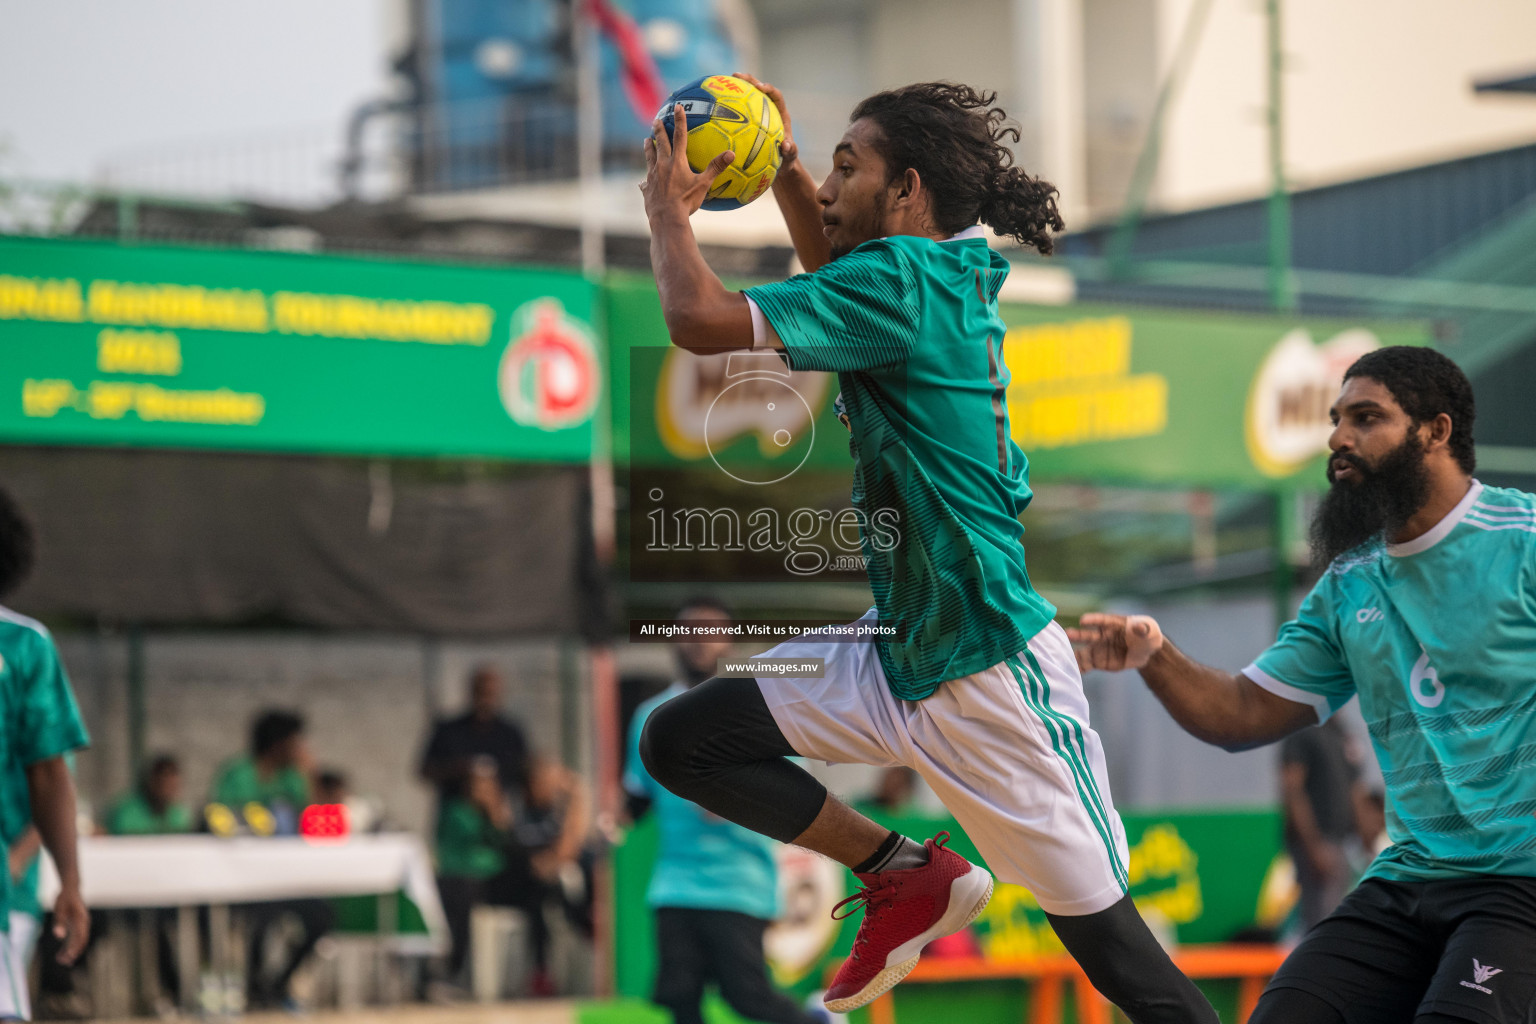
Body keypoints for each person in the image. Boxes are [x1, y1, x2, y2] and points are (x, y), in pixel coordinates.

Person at [634, 79, 1216, 1020]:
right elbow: (832, 273)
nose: (825, 185)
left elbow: (697, 320)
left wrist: (668, 215)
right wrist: (784, 174)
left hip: (990, 673)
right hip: (899, 645)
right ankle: (903, 872)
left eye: (844, 167)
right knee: (682, 738)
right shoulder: (924, 277)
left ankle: (912, 874)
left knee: (1137, 981)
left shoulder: (902, 281)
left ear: (906, 191)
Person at [1069, 346, 1536, 1022]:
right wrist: (1155, 657)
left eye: (1366, 418)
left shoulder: (1522, 543)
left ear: (1436, 431)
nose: (1339, 438)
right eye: (1336, 419)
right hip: (1407, 878)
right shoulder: (1348, 585)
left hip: (1519, 885)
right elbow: (1239, 713)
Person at [625, 599, 826, 1024]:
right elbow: (636, 798)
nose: (698, 639)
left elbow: (794, 788)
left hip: (738, 883)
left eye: (709, 628)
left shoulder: (757, 705)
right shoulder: (649, 716)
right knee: (679, 999)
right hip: (674, 884)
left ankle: (818, 1022)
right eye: (687, 629)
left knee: (746, 998)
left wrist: (735, 797)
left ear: (730, 638)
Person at [0, 486, 91, 1021]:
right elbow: (49, 775)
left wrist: (69, 880)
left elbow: (50, 775)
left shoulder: (23, 647)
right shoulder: (24, 645)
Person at [210, 711, 332, 1010]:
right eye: (294, 741)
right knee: (260, 917)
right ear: (277, 744)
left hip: (285, 879)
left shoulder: (292, 777)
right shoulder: (238, 774)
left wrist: (311, 776)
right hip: (240, 879)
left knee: (322, 916)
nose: (300, 747)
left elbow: (317, 822)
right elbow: (220, 819)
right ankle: (254, 987)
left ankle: (277, 984)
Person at [434, 758, 569, 996]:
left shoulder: (498, 813)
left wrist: (497, 816)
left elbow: (507, 846)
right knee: (472, 891)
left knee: (537, 896)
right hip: (465, 883)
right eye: (479, 785)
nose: (485, 791)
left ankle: (539, 970)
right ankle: (453, 972)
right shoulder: (458, 812)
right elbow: (462, 857)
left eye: (489, 785)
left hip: (496, 884)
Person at [1278, 718, 1364, 932]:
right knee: (1320, 923)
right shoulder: (1302, 730)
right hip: (1318, 842)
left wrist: (1365, 838)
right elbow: (1292, 789)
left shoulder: (1341, 733)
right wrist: (1313, 845)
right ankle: (1316, 965)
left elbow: (1355, 790)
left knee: (1337, 919)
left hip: (1342, 841)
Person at [420, 666, 530, 822]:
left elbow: (524, 771)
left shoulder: (510, 733)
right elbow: (425, 770)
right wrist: (461, 769)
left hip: (498, 812)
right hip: (456, 812)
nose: (486, 699)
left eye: (490, 693)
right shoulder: (449, 730)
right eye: (482, 692)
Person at [104, 755, 193, 836]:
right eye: (164, 784)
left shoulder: (179, 815)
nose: (169, 790)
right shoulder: (126, 812)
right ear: (152, 782)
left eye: (173, 785)